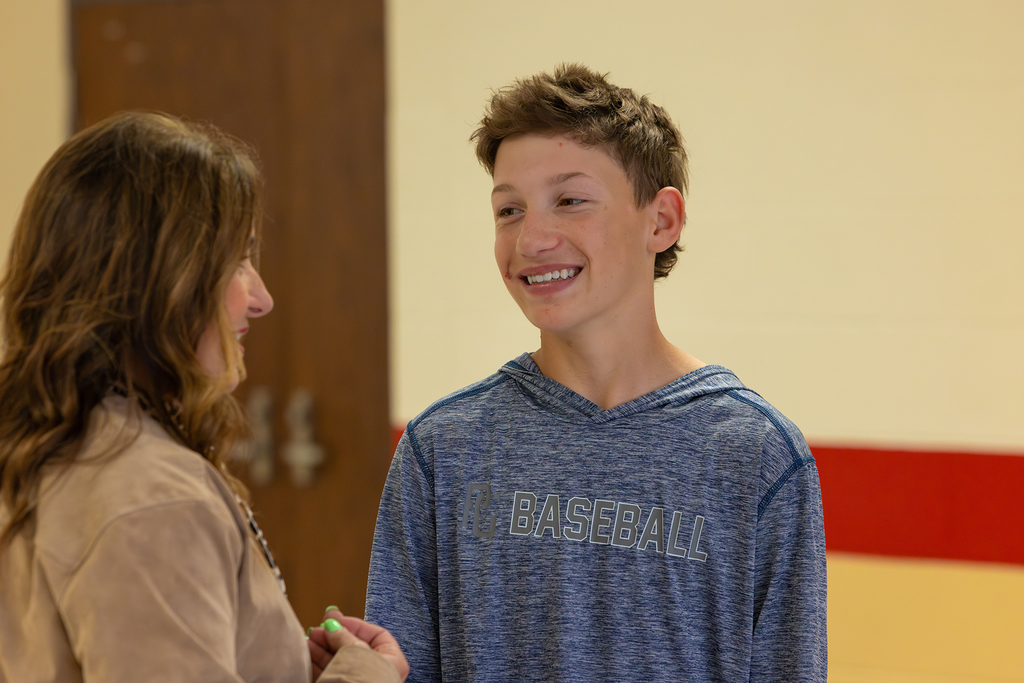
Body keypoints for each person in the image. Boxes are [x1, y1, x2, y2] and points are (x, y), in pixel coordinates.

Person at [364, 64, 827, 682]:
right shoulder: (442, 451)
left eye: (571, 201)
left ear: (661, 221)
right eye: (509, 210)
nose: (530, 238)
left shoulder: (755, 456)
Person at [0, 111, 407, 683]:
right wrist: (366, 677)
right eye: (238, 261)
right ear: (161, 280)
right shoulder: (151, 499)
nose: (260, 298)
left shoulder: (46, 447)